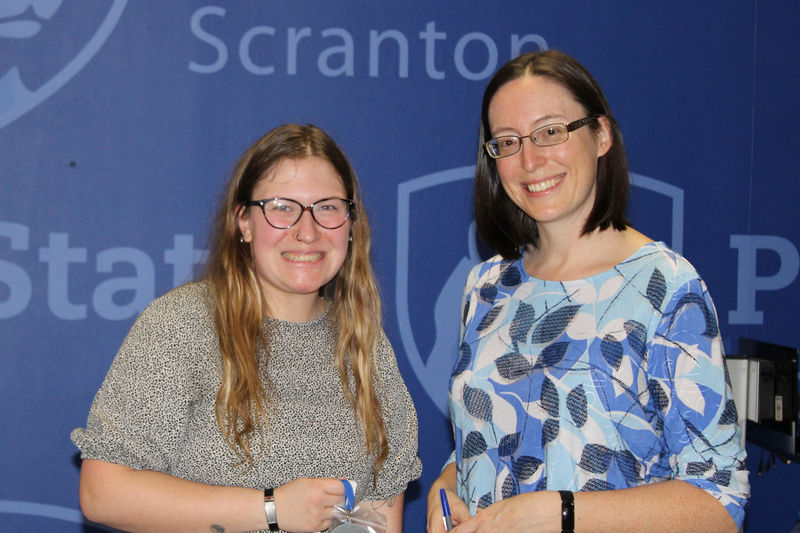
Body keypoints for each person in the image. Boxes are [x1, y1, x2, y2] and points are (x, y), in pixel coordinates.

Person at [426, 50, 749, 533]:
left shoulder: (666, 287)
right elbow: (486, 443)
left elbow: (720, 501)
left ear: (601, 135)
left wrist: (561, 513)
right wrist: (445, 489)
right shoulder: (487, 286)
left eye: (551, 132)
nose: (530, 160)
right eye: (507, 142)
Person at [72, 123, 422, 533]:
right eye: (281, 207)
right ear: (244, 222)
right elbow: (104, 493)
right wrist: (271, 509)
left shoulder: (365, 343)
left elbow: (380, 518)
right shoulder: (184, 324)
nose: (306, 232)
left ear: (350, 223)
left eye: (327, 207)